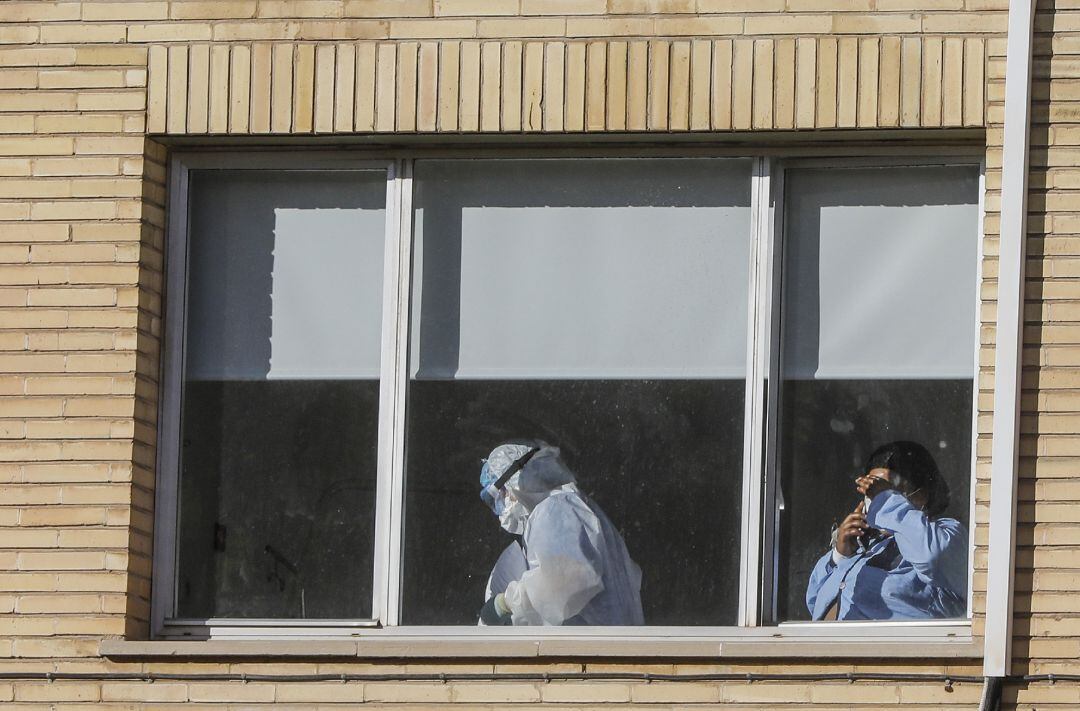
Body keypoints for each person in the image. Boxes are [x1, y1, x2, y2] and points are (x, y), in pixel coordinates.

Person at [477, 441, 644, 626]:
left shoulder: (556, 509)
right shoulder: (574, 506)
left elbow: (566, 580)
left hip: (590, 650)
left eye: (498, 497)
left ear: (513, 482)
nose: (500, 509)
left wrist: (506, 603)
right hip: (611, 646)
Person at [805, 440, 968, 621]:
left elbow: (932, 557)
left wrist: (886, 503)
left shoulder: (945, 533)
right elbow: (814, 603)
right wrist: (840, 556)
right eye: (870, 489)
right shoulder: (865, 545)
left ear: (921, 496)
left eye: (883, 489)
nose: (874, 497)